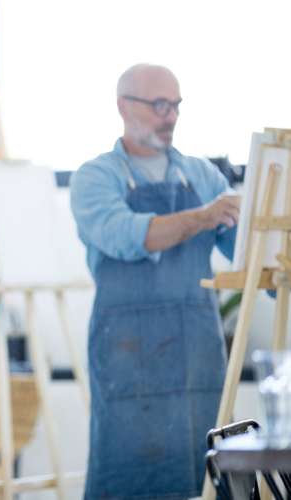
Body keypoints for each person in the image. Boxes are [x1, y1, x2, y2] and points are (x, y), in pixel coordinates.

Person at [70, 63, 240, 499]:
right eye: (160, 105)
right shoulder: (96, 177)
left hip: (196, 353)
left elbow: (246, 252)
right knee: (126, 472)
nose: (171, 117)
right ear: (124, 106)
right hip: (127, 353)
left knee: (203, 469)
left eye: (177, 106)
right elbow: (126, 236)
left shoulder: (203, 176)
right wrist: (202, 216)